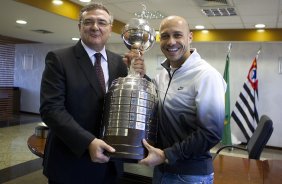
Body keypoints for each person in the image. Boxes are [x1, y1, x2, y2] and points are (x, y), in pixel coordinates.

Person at [39, 3, 142, 184]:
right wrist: (88, 142)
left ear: (110, 29)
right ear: (80, 27)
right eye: (89, 22)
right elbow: (51, 110)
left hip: (110, 163)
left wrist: (139, 74)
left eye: (102, 22)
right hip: (70, 162)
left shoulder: (119, 63)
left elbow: (129, 102)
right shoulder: (59, 59)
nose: (95, 27)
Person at [126, 15, 226, 183]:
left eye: (177, 35)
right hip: (162, 168)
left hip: (189, 175)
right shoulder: (163, 75)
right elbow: (158, 107)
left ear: (190, 37)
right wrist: (141, 76)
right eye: (165, 36)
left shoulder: (206, 75)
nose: (171, 42)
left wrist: (167, 155)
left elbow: (211, 133)